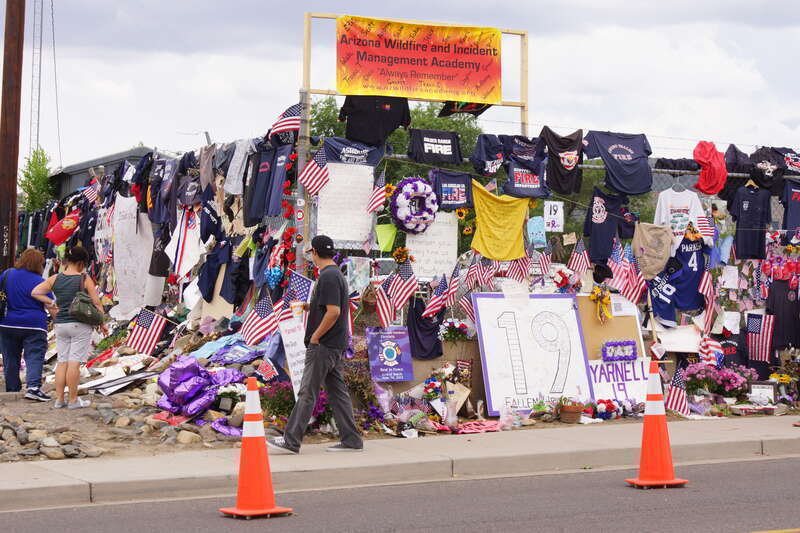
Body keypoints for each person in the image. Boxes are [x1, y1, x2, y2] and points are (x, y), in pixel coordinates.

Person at [268, 235, 363, 454]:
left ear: (315, 253)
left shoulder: (328, 276)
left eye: (311, 252)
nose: (311, 256)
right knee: (338, 393)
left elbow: (334, 311)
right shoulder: (336, 274)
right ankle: (351, 439)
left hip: (324, 344)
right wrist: (310, 307)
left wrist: (315, 337)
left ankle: (291, 441)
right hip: (335, 344)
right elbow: (332, 305)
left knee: (307, 392)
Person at [31, 246, 104, 409]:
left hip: (60, 324)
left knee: (62, 361)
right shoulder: (84, 279)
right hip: (79, 324)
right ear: (80, 263)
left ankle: (59, 400)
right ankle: (72, 400)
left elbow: (35, 292)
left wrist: (51, 303)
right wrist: (102, 322)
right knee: (74, 363)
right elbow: (96, 302)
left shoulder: (55, 278)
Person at [0, 249, 56, 400]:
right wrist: (58, 322)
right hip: (34, 325)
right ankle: (33, 387)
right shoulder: (40, 281)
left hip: (7, 323)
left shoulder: (7, 274)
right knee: (34, 356)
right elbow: (51, 305)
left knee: (10, 357)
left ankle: (12, 389)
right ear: (39, 264)